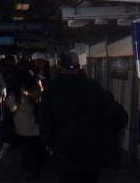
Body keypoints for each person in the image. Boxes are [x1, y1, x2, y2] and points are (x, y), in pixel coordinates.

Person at [38, 51, 107, 183]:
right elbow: (109, 113)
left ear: (59, 66)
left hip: (63, 149)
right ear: (78, 67)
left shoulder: (51, 88)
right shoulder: (93, 86)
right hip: (90, 149)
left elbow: (45, 119)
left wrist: (49, 143)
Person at [6, 67, 46, 179]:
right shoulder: (35, 88)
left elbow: (13, 108)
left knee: (25, 150)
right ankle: (37, 170)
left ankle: (28, 170)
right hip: (36, 124)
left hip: (21, 126)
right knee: (36, 148)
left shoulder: (15, 92)